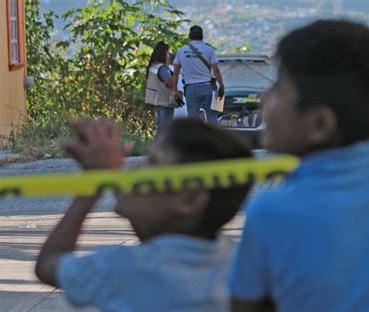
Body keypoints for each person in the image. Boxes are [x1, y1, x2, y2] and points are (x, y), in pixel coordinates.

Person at [229, 20, 369, 311]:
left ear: (319, 124)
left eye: (277, 88)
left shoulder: (270, 211)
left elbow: (242, 306)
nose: (263, 98)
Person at [35, 118, 252, 311]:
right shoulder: (239, 264)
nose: (135, 169)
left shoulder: (124, 270)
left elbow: (48, 264)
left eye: (153, 162)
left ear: (190, 200)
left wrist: (92, 187)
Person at [172, 25, 225, 125]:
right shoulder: (209, 50)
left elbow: (175, 73)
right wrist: (221, 86)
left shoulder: (181, 51)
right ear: (202, 37)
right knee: (212, 116)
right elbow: (216, 71)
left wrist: (174, 91)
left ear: (189, 37)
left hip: (190, 88)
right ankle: (213, 139)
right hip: (207, 87)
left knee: (192, 120)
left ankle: (193, 140)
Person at [145, 41, 182, 135]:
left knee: (160, 129)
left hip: (157, 101)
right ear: (163, 54)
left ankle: (156, 148)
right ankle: (161, 148)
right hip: (165, 102)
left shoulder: (153, 66)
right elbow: (171, 83)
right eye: (168, 53)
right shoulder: (163, 69)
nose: (169, 55)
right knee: (165, 131)